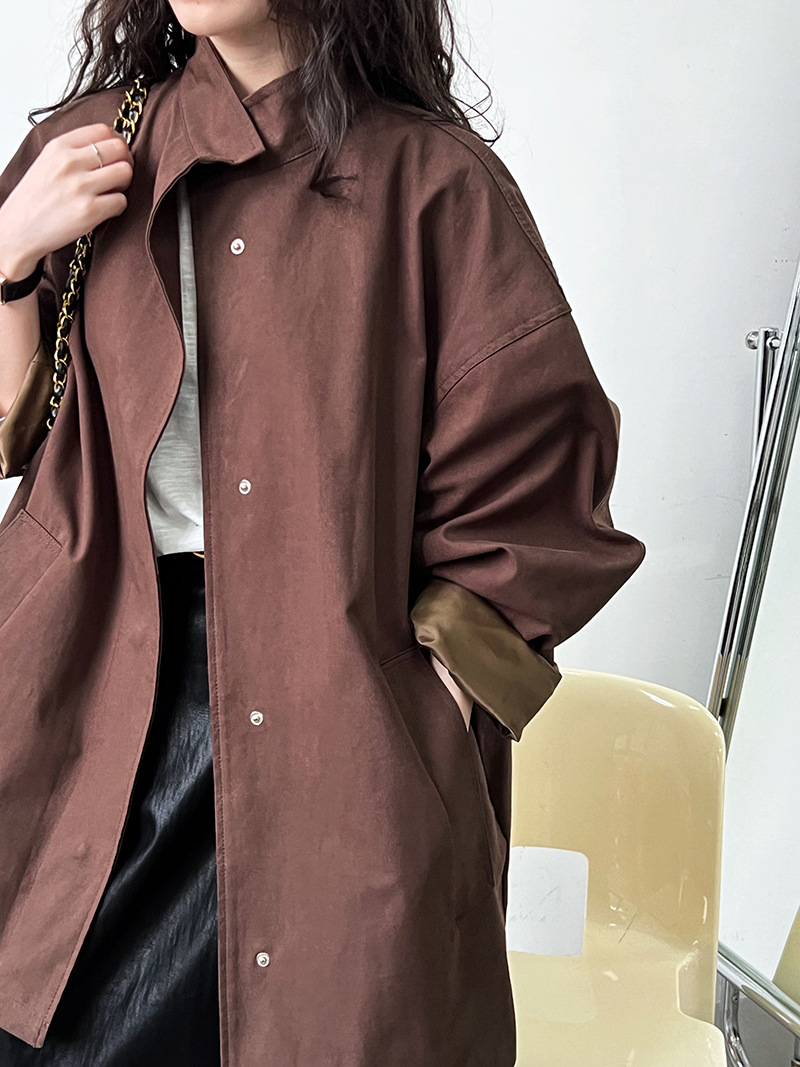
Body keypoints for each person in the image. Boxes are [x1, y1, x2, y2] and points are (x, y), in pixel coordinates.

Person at [0, 1, 646, 1064]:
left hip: (331, 722)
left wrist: (429, 700)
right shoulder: (91, 148)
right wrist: (12, 255)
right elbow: (17, 431)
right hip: (86, 685)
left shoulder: (432, 184)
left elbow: (538, 481)